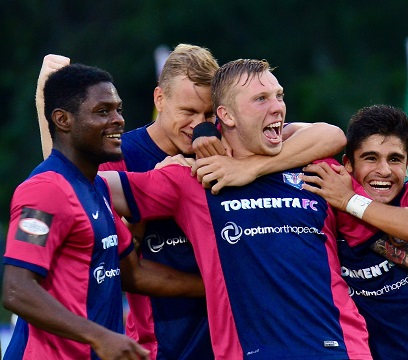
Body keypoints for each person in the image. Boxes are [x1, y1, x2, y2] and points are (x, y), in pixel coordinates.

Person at [35, 47, 346, 360]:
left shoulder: (226, 145)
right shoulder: (119, 154)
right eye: (188, 112)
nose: (198, 125)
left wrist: (250, 167)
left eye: (208, 114)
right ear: (159, 100)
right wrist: (220, 283)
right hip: (162, 340)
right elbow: (72, 195)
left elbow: (329, 135)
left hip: (235, 339)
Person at [102, 58, 371, 359]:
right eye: (261, 99)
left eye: (279, 96)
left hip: (341, 350)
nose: (278, 107)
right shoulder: (190, 177)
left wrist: (251, 168)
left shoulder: (315, 165)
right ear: (226, 116)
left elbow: (334, 134)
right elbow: (74, 182)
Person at [3, 63, 205, 360]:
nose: (118, 120)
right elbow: (16, 289)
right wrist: (100, 337)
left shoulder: (98, 188)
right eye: (103, 111)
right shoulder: (45, 190)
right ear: (63, 120)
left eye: (118, 110)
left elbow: (133, 274)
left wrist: (219, 286)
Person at [300, 105, 408, 359]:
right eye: (370, 158)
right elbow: (303, 134)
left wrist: (351, 203)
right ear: (348, 164)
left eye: (394, 159)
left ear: (407, 164)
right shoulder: (331, 210)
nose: (384, 170)